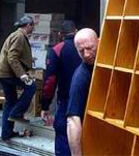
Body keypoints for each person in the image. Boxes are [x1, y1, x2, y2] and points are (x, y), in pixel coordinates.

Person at [41, 20, 82, 156]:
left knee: (63, 132)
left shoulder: (58, 49)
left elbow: (50, 81)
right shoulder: (86, 47)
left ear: (60, 34)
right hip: (88, 99)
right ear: (76, 31)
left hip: (66, 101)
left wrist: (45, 105)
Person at [0, 15, 37, 141]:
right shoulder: (19, 36)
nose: (33, 28)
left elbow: (14, 56)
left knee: (10, 102)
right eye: (32, 26)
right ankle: (17, 113)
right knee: (31, 86)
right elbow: (12, 57)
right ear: (28, 25)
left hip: (4, 74)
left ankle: (6, 133)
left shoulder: (17, 35)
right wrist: (22, 75)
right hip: (9, 74)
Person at [66, 28, 98, 156]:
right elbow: (72, 120)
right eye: (81, 51)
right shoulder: (81, 77)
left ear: (98, 42)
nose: (86, 54)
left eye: (90, 48)